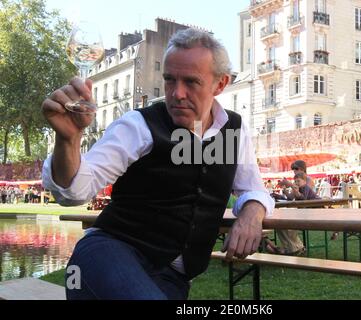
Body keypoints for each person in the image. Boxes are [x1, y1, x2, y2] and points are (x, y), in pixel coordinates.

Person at [41, 28, 274, 300]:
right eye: (169, 80)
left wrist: (252, 213)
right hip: (105, 256)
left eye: (191, 82)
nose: (177, 93)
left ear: (220, 85)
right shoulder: (139, 125)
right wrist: (68, 140)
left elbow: (253, 189)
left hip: (170, 276)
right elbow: (75, 192)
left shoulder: (233, 129)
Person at [265, 162, 320, 256]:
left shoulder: (307, 180)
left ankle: (295, 247)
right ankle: (291, 248)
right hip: (301, 212)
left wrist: (290, 184)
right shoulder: (297, 182)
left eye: (296, 168)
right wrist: (283, 191)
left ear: (302, 169)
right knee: (278, 221)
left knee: (283, 221)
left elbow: (304, 199)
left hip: (311, 212)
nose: (294, 171)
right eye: (293, 169)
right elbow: (290, 198)